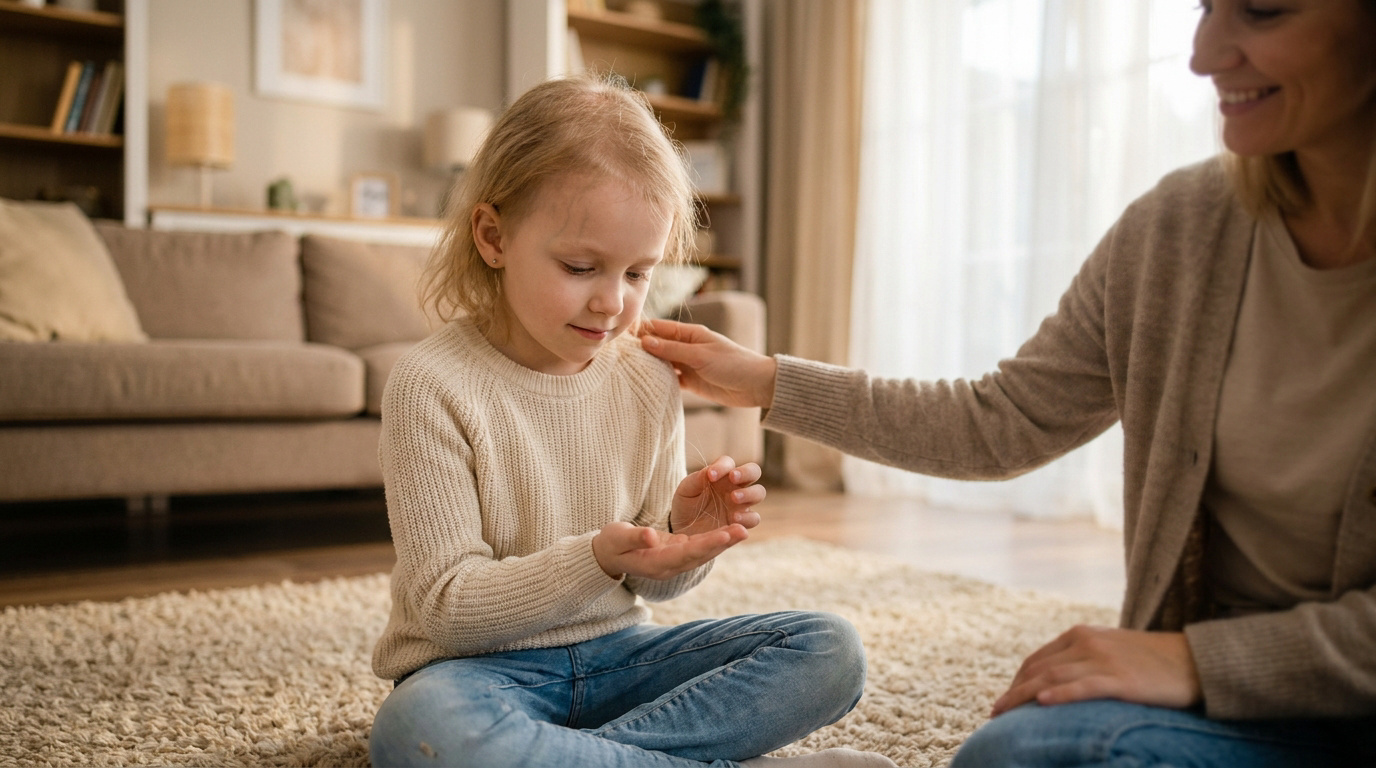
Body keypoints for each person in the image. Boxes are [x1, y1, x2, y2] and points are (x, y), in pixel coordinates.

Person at [641, 1, 1376, 765]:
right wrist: (764, 379)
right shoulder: (1178, 233)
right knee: (1023, 752)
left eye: (1261, 10)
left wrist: (1196, 661)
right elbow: (999, 422)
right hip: (1222, 717)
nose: (1205, 53)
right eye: (1204, 6)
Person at [366, 73, 898, 768]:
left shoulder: (646, 376)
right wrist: (593, 559)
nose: (613, 304)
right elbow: (444, 604)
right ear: (493, 237)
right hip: (476, 672)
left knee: (830, 651)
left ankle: (568, 758)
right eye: (582, 266)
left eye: (638, 274)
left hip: (622, 660)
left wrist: (682, 541)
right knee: (421, 729)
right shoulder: (431, 386)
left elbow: (655, 587)